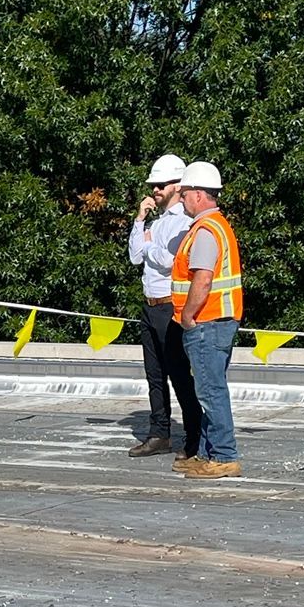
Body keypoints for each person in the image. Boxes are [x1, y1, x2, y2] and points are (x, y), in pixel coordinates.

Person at [127, 152, 203, 461]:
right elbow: (136, 256)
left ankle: (194, 436)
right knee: (154, 375)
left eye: (160, 185)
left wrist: (148, 247)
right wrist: (139, 221)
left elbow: (172, 263)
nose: (155, 191)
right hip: (149, 304)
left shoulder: (184, 222)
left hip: (170, 305)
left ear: (176, 185)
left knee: (180, 374)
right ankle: (159, 433)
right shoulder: (156, 222)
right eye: (153, 186)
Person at [170, 162, 244, 479]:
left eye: (185, 193)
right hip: (214, 321)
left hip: (206, 322)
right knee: (208, 390)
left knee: (211, 392)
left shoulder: (206, 231)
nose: (182, 199)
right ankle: (207, 453)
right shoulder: (216, 226)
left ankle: (224, 456)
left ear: (198, 195)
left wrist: (187, 317)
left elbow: (202, 280)